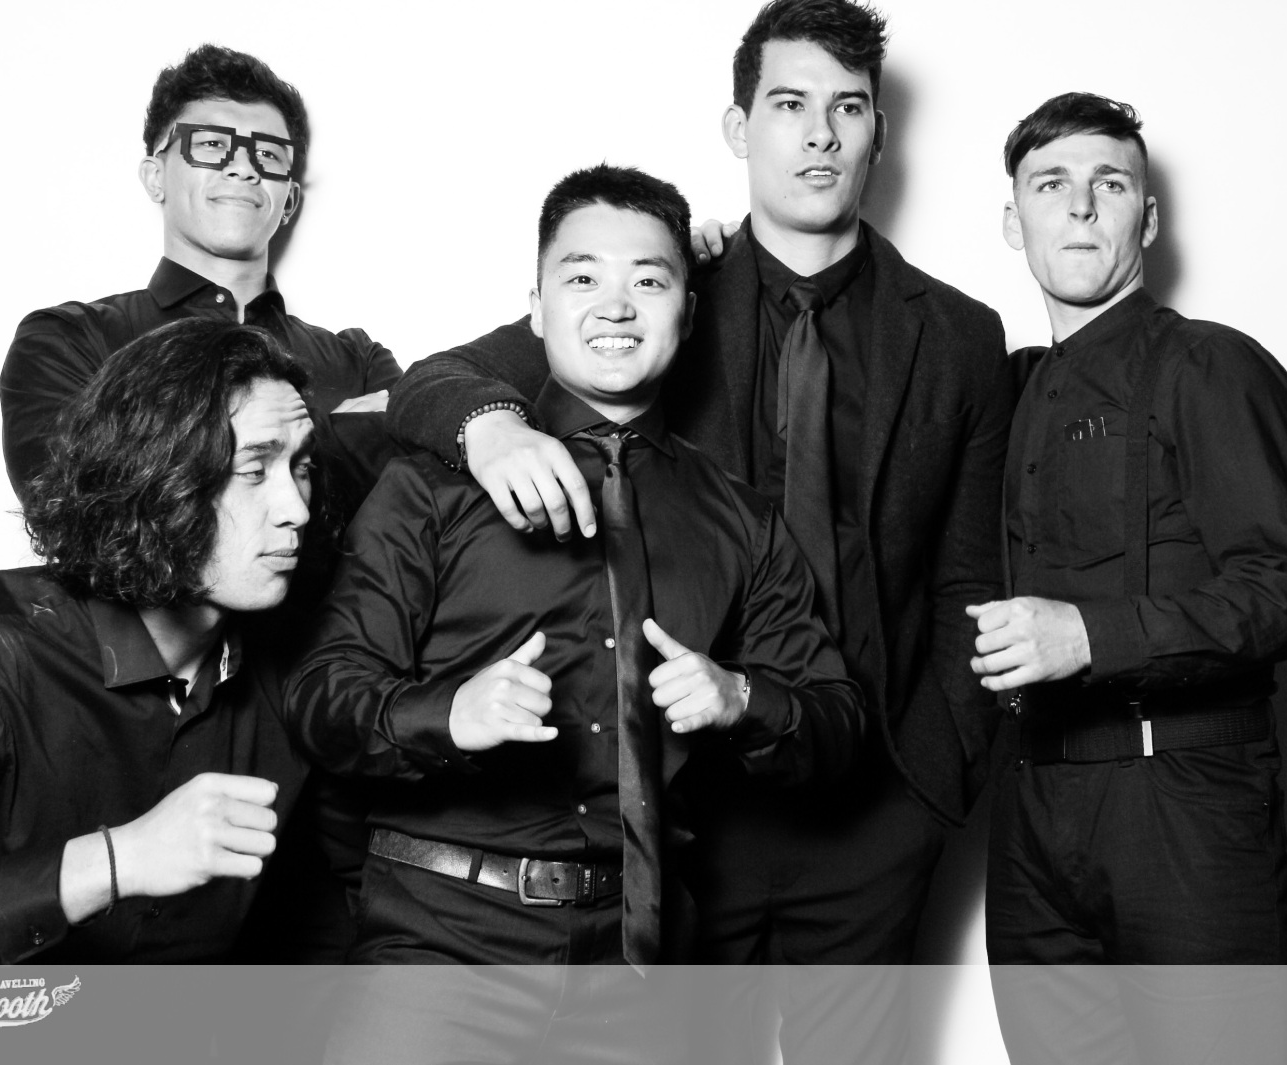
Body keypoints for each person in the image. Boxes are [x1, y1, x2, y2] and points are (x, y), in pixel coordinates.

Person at [384, 2, 1011, 1060]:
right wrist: (490, 427)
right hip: (684, 813)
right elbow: (438, 378)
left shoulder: (957, 334)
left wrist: (932, 783)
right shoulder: (663, 287)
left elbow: (967, 573)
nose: (820, 134)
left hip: (873, 805)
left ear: (877, 132)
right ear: (738, 127)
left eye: (848, 108)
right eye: (790, 104)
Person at [286, 164, 864, 1065]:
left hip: (642, 972)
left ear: (689, 311)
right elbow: (320, 694)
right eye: (583, 276)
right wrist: (447, 714)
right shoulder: (433, 483)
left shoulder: (740, 519)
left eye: (649, 280)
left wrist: (741, 697)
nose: (616, 306)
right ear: (537, 306)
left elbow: (838, 722)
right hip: (440, 951)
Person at [972, 92, 1287, 1063]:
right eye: (1050, 185)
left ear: (1148, 218)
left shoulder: (1213, 366)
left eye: (1109, 184)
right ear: (1013, 221)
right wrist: (722, 265)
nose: (1079, 206)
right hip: (1030, 814)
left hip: (1183, 804)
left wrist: (1089, 636)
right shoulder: (1006, 389)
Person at [0, 318, 324, 963]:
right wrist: (113, 861)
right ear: (155, 476)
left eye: (302, 467)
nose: (296, 508)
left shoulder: (303, 671)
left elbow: (327, 920)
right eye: (255, 469)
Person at [0, 43, 400, 514]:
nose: (243, 167)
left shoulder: (359, 362)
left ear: (289, 200)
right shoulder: (69, 341)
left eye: (268, 154)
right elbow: (74, 508)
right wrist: (333, 437)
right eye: (211, 145)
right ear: (155, 178)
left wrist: (171, 453)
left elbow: (416, 506)